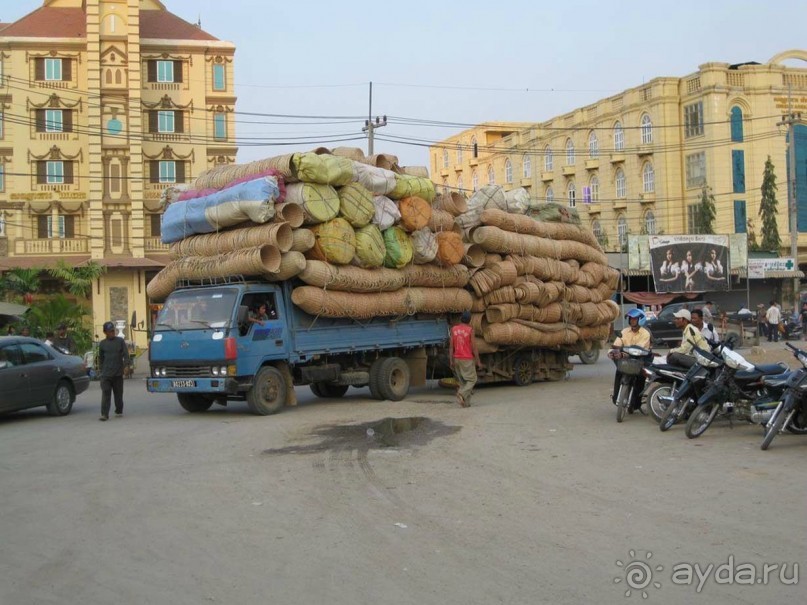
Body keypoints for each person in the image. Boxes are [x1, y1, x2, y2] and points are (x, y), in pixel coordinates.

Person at [608, 308, 652, 412]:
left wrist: (623, 352)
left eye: (634, 319)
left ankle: (636, 403)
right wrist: (614, 352)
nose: (632, 321)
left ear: (640, 319)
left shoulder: (645, 333)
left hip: (640, 358)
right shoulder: (624, 331)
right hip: (626, 359)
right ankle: (616, 397)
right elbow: (617, 344)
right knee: (619, 372)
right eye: (631, 319)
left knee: (641, 378)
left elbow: (638, 349)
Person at [98, 321, 130, 421]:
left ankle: (119, 410)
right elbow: (101, 358)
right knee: (106, 393)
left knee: (118, 394)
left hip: (117, 373)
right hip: (106, 374)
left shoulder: (120, 341)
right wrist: (101, 370)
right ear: (105, 332)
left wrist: (126, 366)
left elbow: (125, 354)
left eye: (113, 331)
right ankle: (104, 414)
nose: (112, 333)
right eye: (110, 331)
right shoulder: (102, 344)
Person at [449, 311, 482, 408]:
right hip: (466, 359)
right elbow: (474, 347)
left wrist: (451, 360)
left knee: (463, 382)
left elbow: (451, 347)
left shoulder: (454, 329)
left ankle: (466, 404)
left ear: (460, 319)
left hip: (456, 358)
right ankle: (461, 393)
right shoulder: (470, 330)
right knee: (472, 380)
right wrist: (478, 361)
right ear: (470, 320)